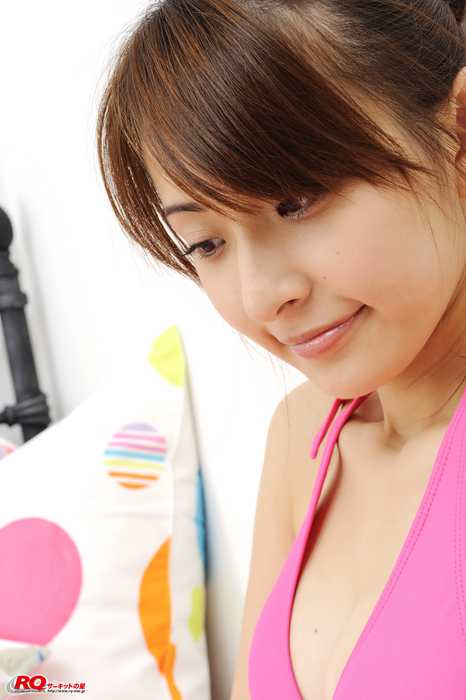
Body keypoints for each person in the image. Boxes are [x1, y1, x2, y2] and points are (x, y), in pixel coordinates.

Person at [95, 1, 466, 697]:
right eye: (207, 243)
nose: (262, 295)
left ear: (459, 133)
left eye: (297, 200)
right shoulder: (303, 436)